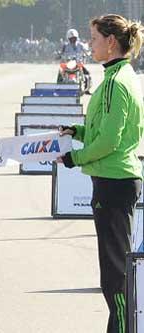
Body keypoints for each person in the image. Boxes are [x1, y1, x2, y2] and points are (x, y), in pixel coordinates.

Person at [59, 14, 144, 333]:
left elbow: (110, 139)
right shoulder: (121, 76)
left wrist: (74, 157)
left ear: (111, 42)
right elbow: (108, 130)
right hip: (116, 180)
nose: (89, 44)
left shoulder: (115, 82)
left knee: (115, 276)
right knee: (114, 274)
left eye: (93, 38)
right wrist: (79, 130)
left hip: (113, 182)